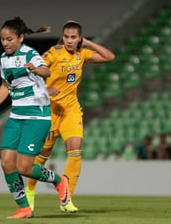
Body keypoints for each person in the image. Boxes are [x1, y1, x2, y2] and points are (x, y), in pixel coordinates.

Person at [0, 17, 70, 219]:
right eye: (3, 39)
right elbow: (5, 85)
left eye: (9, 39)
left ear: (20, 38)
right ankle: (24, 208)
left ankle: (59, 180)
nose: (5, 43)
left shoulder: (30, 53)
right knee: (6, 163)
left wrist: (37, 70)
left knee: (24, 167)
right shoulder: (4, 58)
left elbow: (46, 70)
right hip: (16, 116)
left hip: (36, 116)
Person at [25, 20, 115, 213]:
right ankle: (30, 190)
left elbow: (110, 57)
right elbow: (30, 71)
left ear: (79, 38)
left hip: (71, 111)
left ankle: (66, 198)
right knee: (43, 155)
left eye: (73, 37)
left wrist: (89, 43)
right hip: (50, 111)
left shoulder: (82, 53)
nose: (69, 41)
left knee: (75, 151)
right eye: (66, 36)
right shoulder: (53, 53)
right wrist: (45, 88)